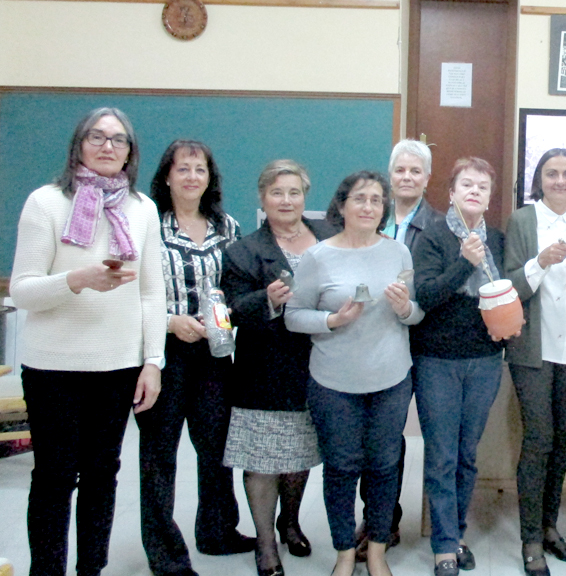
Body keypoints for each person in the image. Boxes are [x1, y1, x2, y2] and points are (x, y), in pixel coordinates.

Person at [10, 107, 164, 576]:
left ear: (130, 153)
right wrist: (77, 280)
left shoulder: (142, 208)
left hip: (118, 367)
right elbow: (23, 291)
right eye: (96, 137)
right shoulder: (45, 202)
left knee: (102, 476)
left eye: (118, 140)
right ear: (78, 144)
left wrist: (153, 361)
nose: (107, 146)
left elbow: (152, 292)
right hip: (52, 368)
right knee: (55, 478)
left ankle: (91, 570)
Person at [285, 170, 423, 576]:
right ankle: (345, 551)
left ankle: (377, 549)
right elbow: (293, 315)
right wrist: (332, 320)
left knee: (384, 465)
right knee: (342, 468)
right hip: (334, 384)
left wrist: (405, 309)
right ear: (341, 205)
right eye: (360, 198)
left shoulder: (398, 252)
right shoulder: (318, 257)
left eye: (377, 200)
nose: (369, 207)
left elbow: (415, 313)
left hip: (391, 380)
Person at [138, 139, 252, 576]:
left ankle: (217, 531)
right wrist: (171, 322)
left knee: (217, 447)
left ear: (210, 178)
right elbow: (132, 292)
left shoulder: (228, 226)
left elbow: (237, 286)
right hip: (162, 351)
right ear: (167, 177)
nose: (191, 177)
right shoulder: (148, 225)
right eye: (182, 169)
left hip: (214, 351)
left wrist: (223, 320)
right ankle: (165, 554)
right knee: (159, 455)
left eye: (199, 169)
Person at [222, 160, 336, 576]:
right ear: (262, 198)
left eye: (294, 192)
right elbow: (233, 310)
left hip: (318, 363)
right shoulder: (243, 251)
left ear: (305, 196)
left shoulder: (329, 237)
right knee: (262, 459)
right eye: (276, 193)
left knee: (299, 452)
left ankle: (290, 522)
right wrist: (267, 299)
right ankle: (265, 543)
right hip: (264, 369)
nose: (286, 200)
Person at [504, 148, 566, 576]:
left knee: (562, 437)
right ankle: (530, 538)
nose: (560, 181)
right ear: (539, 180)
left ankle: (550, 527)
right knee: (538, 438)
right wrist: (540, 262)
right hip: (532, 348)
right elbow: (510, 286)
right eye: (551, 173)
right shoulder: (522, 221)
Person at [411, 157, 511, 576]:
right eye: (466, 184)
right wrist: (465, 262)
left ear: (489, 198)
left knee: (467, 455)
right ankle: (444, 546)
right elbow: (426, 295)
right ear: (451, 192)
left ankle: (457, 533)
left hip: (485, 360)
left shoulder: (499, 239)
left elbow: (505, 291)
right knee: (441, 457)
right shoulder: (433, 237)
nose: (474, 191)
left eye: (482, 187)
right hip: (437, 360)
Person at [354, 139, 444, 560]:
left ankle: (396, 523)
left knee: (399, 439)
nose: (407, 177)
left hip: (421, 344)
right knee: (372, 439)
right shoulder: (369, 217)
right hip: (369, 343)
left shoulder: (439, 226)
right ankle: (378, 518)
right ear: (390, 176)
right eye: (400, 170)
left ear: (427, 178)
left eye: (415, 171)